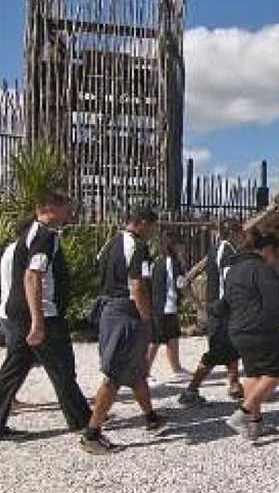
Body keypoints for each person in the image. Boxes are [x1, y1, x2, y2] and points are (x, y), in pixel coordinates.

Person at [0, 192, 91, 440]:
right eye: (67, 209)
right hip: (42, 315)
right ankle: (83, 421)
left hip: (20, 314)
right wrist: (38, 322)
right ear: (50, 208)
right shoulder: (44, 236)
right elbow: (33, 276)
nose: (70, 214)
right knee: (61, 367)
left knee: (13, 371)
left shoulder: (30, 234)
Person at [81, 205, 165, 454]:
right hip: (125, 311)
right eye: (151, 226)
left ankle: (151, 417)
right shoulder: (136, 246)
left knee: (136, 369)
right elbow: (137, 284)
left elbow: (98, 267)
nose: (152, 231)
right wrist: (147, 318)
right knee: (115, 373)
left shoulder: (110, 242)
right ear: (140, 223)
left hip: (109, 306)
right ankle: (92, 434)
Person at [223, 228, 279, 442]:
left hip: (237, 329)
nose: (275, 258)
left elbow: (226, 300)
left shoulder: (232, 269)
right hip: (258, 329)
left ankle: (255, 425)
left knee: (253, 374)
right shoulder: (261, 269)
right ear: (266, 249)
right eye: (275, 253)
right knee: (278, 370)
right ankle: (243, 412)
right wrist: (275, 320)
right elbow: (275, 300)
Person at [179, 218, 245, 406]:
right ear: (232, 232)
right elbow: (228, 281)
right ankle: (191, 391)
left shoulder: (217, 249)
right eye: (240, 231)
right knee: (215, 352)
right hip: (222, 309)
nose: (243, 235)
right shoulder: (227, 251)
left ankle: (234, 384)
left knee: (232, 347)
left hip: (219, 307)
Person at [0, 216, 38, 414]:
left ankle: (10, 397)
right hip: (14, 312)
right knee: (16, 360)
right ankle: (7, 398)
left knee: (18, 359)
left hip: (9, 310)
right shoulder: (19, 250)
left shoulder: (12, 249)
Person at [147, 231, 188, 379]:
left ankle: (176, 368)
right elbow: (180, 284)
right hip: (165, 305)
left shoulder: (157, 260)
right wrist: (193, 300)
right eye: (180, 244)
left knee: (173, 337)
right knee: (156, 340)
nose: (182, 248)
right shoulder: (172, 262)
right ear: (174, 246)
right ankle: (144, 372)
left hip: (160, 305)